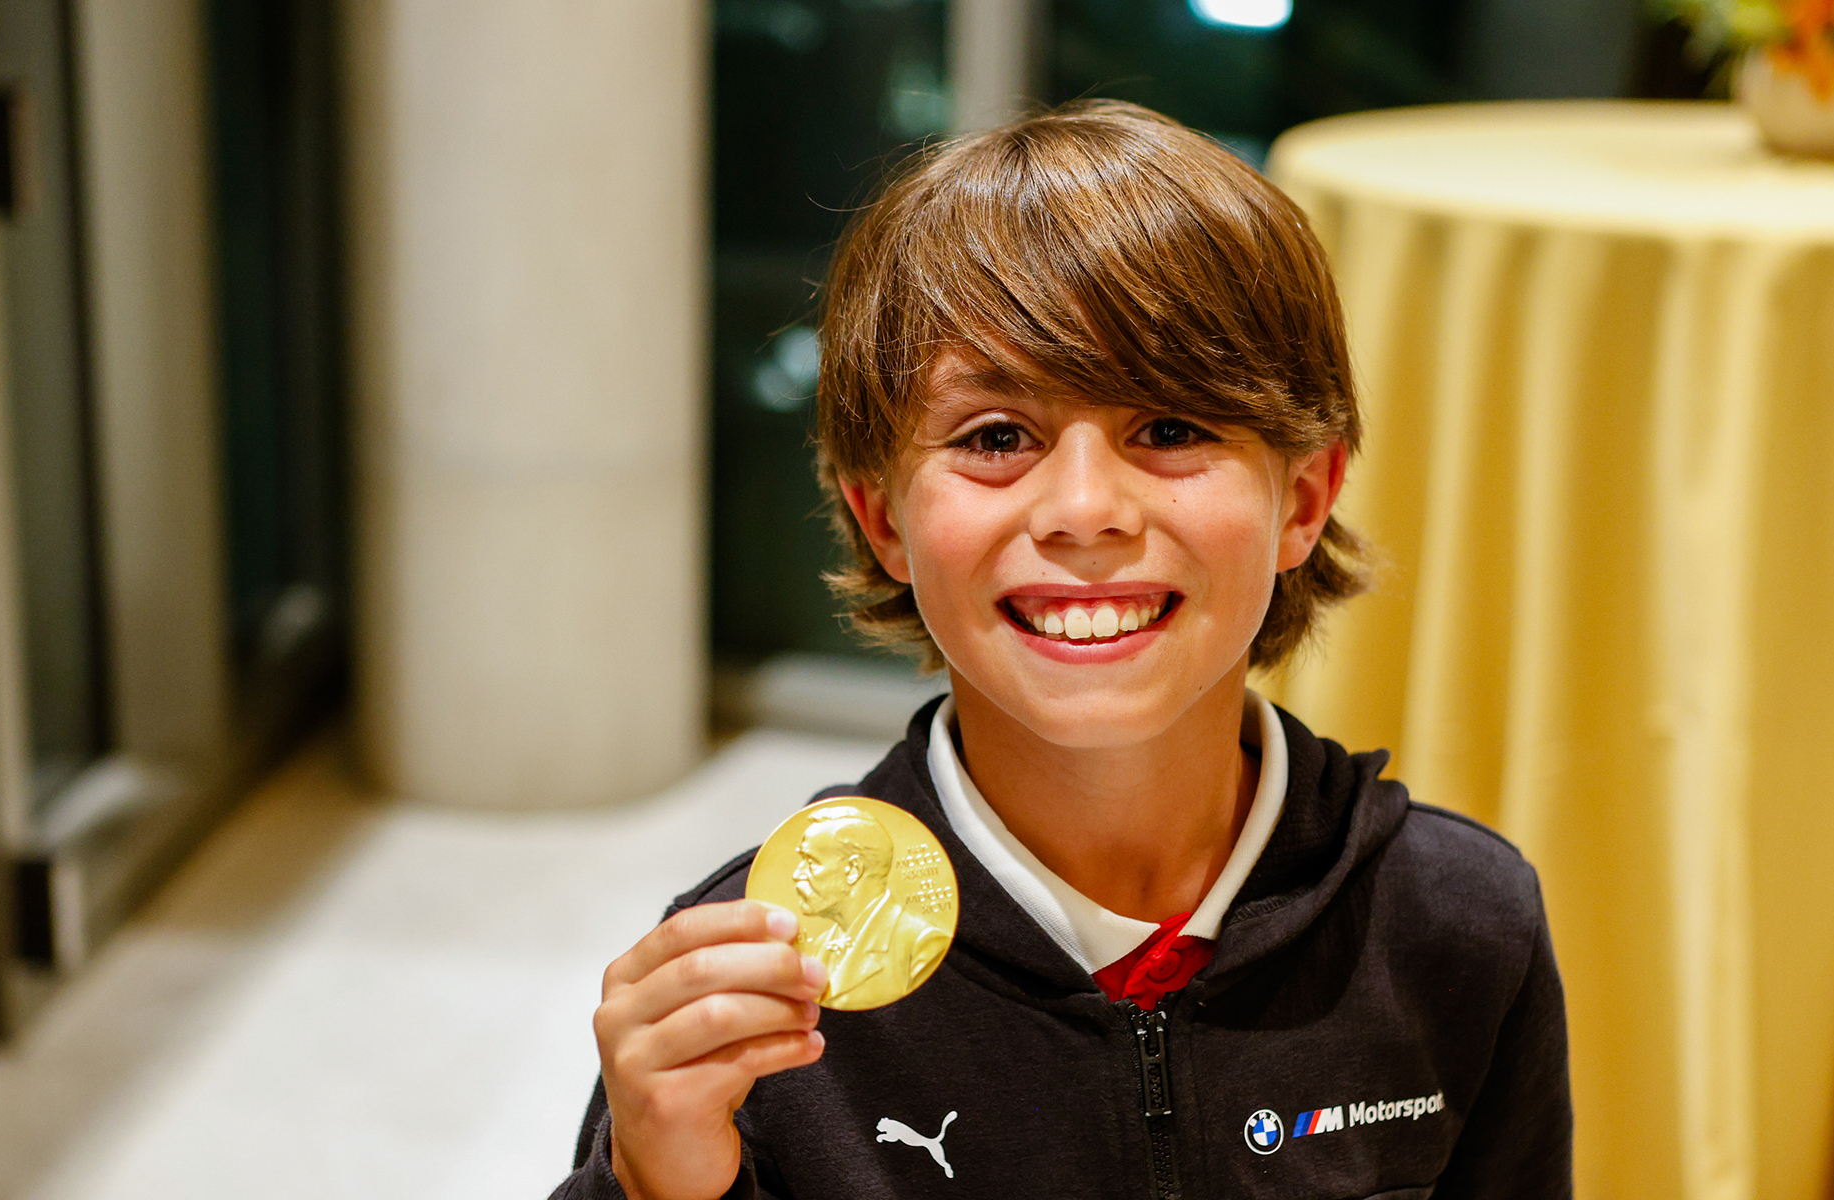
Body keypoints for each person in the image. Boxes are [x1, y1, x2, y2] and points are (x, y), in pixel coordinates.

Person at [555, 100, 1570, 1200]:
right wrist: (652, 1183)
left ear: (1305, 498)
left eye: (1171, 428)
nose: (1085, 510)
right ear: (881, 518)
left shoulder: (1461, 925)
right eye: (997, 437)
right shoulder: (754, 996)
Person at [788, 805, 949, 1007]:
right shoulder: (822, 945)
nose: (797, 874)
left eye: (811, 862)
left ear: (853, 869)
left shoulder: (922, 944)